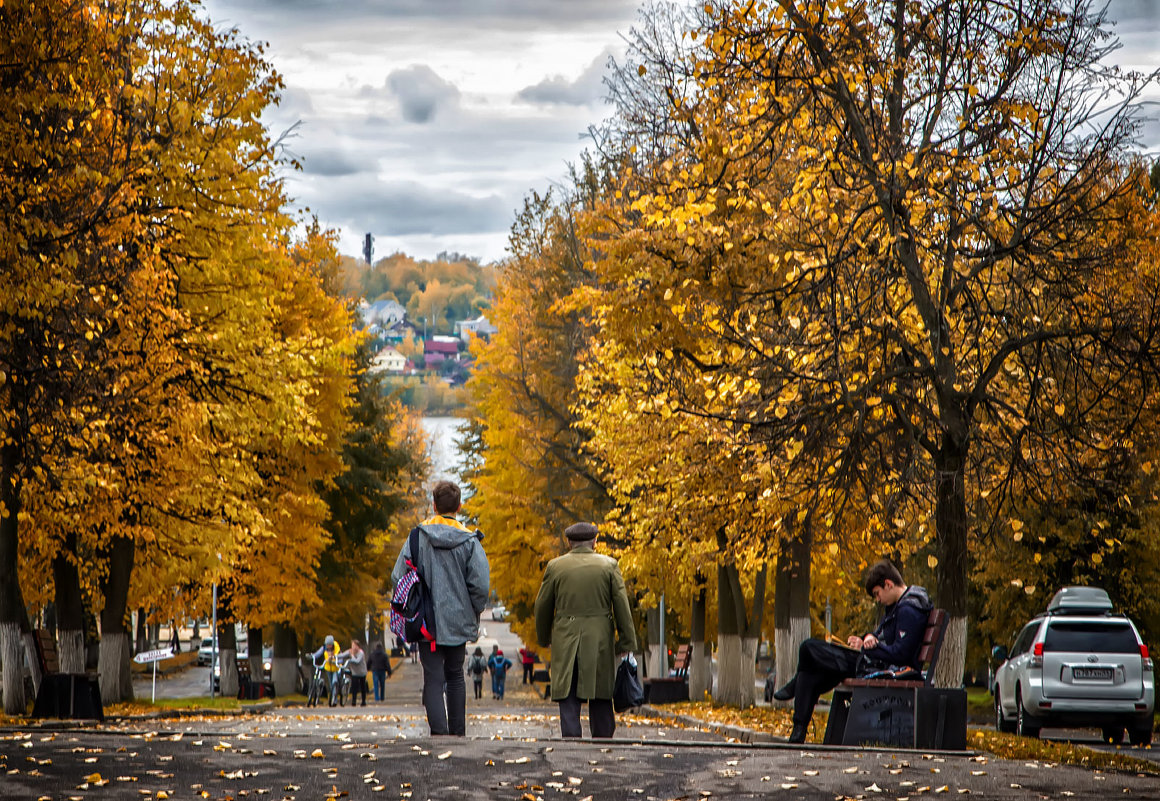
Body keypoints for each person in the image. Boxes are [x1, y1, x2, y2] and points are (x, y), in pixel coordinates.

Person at [771, 558, 932, 744]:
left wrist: (867, 648)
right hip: (871, 661)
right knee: (812, 673)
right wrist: (867, 637)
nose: (878, 599)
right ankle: (797, 732)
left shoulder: (908, 610)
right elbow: (882, 637)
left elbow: (901, 654)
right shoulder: (897, 605)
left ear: (888, 584)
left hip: (881, 668)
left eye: (877, 594)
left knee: (808, 648)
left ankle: (795, 693)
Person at [391, 480, 489, 736]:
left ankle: (439, 735)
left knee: (433, 678)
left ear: (433, 505)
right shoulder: (470, 541)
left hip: (426, 623)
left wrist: (416, 599)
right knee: (455, 675)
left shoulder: (417, 537)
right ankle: (457, 735)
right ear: (459, 506)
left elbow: (397, 576)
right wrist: (473, 611)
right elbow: (480, 585)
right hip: (458, 621)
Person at [534, 522, 637, 738]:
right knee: (600, 691)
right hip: (599, 639)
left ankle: (571, 740)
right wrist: (626, 642)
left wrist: (544, 638)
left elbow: (542, 607)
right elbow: (621, 606)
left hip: (566, 638)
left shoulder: (555, 566)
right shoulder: (609, 565)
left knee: (568, 692)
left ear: (569, 542)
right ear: (595, 542)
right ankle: (603, 739)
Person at [310, 634, 342, 706]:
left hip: (336, 668)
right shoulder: (324, 648)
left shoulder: (337, 649)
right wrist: (312, 656)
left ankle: (335, 700)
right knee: (330, 684)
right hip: (328, 668)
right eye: (327, 645)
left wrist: (335, 661)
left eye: (330, 645)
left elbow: (341, 659)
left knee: (334, 681)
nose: (328, 646)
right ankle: (332, 697)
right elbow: (318, 653)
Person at [338, 639, 368, 707]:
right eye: (352, 645)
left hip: (362, 672)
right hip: (355, 672)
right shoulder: (350, 651)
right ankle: (353, 701)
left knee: (363, 687)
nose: (353, 647)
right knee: (354, 687)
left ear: (358, 646)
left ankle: (363, 701)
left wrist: (352, 655)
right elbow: (342, 655)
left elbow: (357, 661)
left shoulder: (361, 653)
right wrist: (334, 657)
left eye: (355, 645)